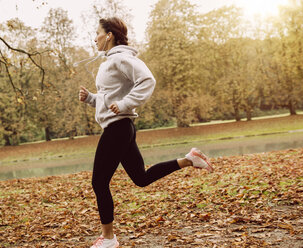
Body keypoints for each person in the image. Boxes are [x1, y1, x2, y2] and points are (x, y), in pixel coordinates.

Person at [79, 17, 214, 248]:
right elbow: (108, 97)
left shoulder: (121, 57)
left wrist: (125, 104)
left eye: (97, 33)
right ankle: (190, 159)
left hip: (118, 127)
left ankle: (109, 239)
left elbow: (147, 80)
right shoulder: (110, 61)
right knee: (140, 178)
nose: (95, 38)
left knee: (99, 182)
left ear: (109, 35)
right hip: (121, 128)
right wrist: (91, 98)